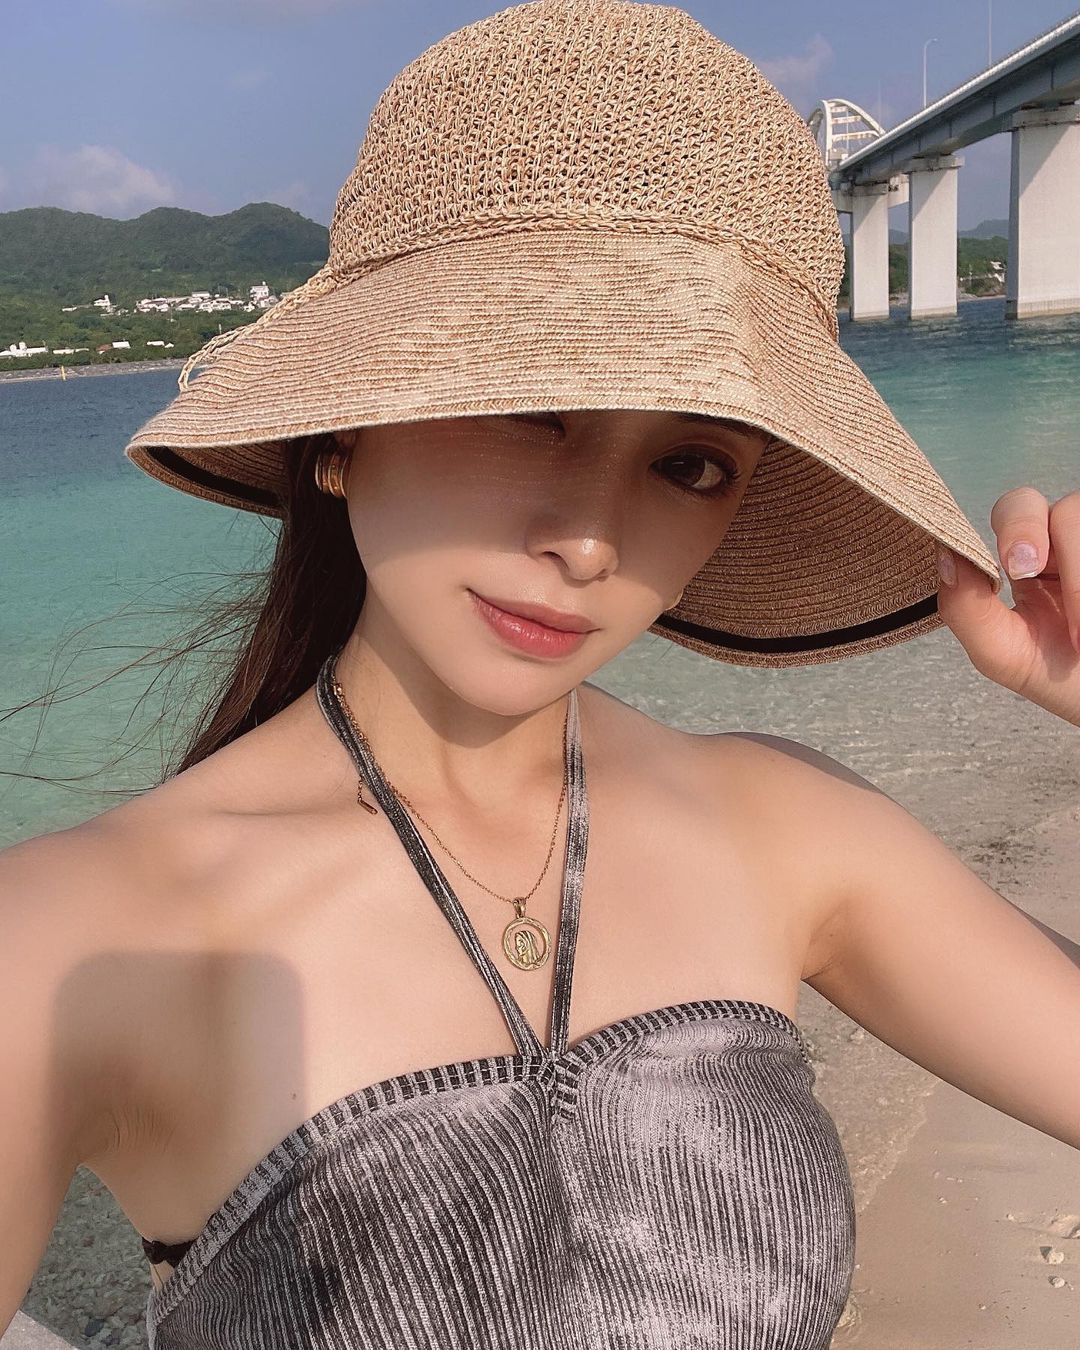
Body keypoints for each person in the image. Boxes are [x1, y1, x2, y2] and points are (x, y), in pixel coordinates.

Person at [2, 1, 1078, 1347]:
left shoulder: (786, 830)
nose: (590, 539)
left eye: (689, 463)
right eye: (530, 408)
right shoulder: (87, 935)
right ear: (341, 429)